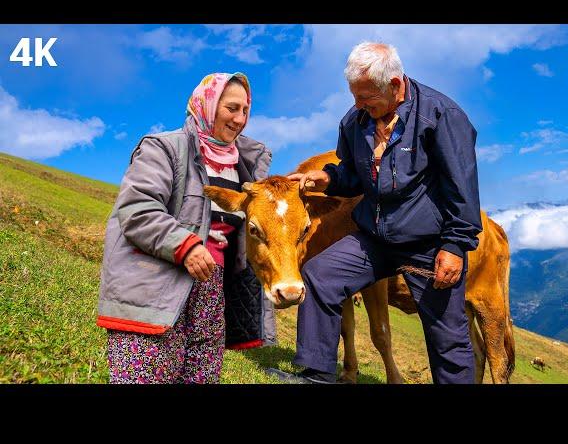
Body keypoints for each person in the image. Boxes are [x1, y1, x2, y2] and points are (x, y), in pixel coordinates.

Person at [273, 42, 483, 384]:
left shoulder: (442, 115)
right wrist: (326, 179)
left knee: (448, 334)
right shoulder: (355, 122)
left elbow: (462, 185)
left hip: (427, 244)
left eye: (366, 96)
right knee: (319, 275)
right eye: (354, 96)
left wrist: (456, 245)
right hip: (374, 238)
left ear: (396, 85)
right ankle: (315, 376)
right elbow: (352, 174)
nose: (358, 105)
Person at [97, 72, 276, 384]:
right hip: (158, 285)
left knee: (201, 375)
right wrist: (187, 244)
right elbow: (137, 209)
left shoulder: (243, 168)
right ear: (206, 105)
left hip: (212, 291)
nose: (240, 118)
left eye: (246, 110)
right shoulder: (164, 149)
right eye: (232, 108)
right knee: (147, 373)